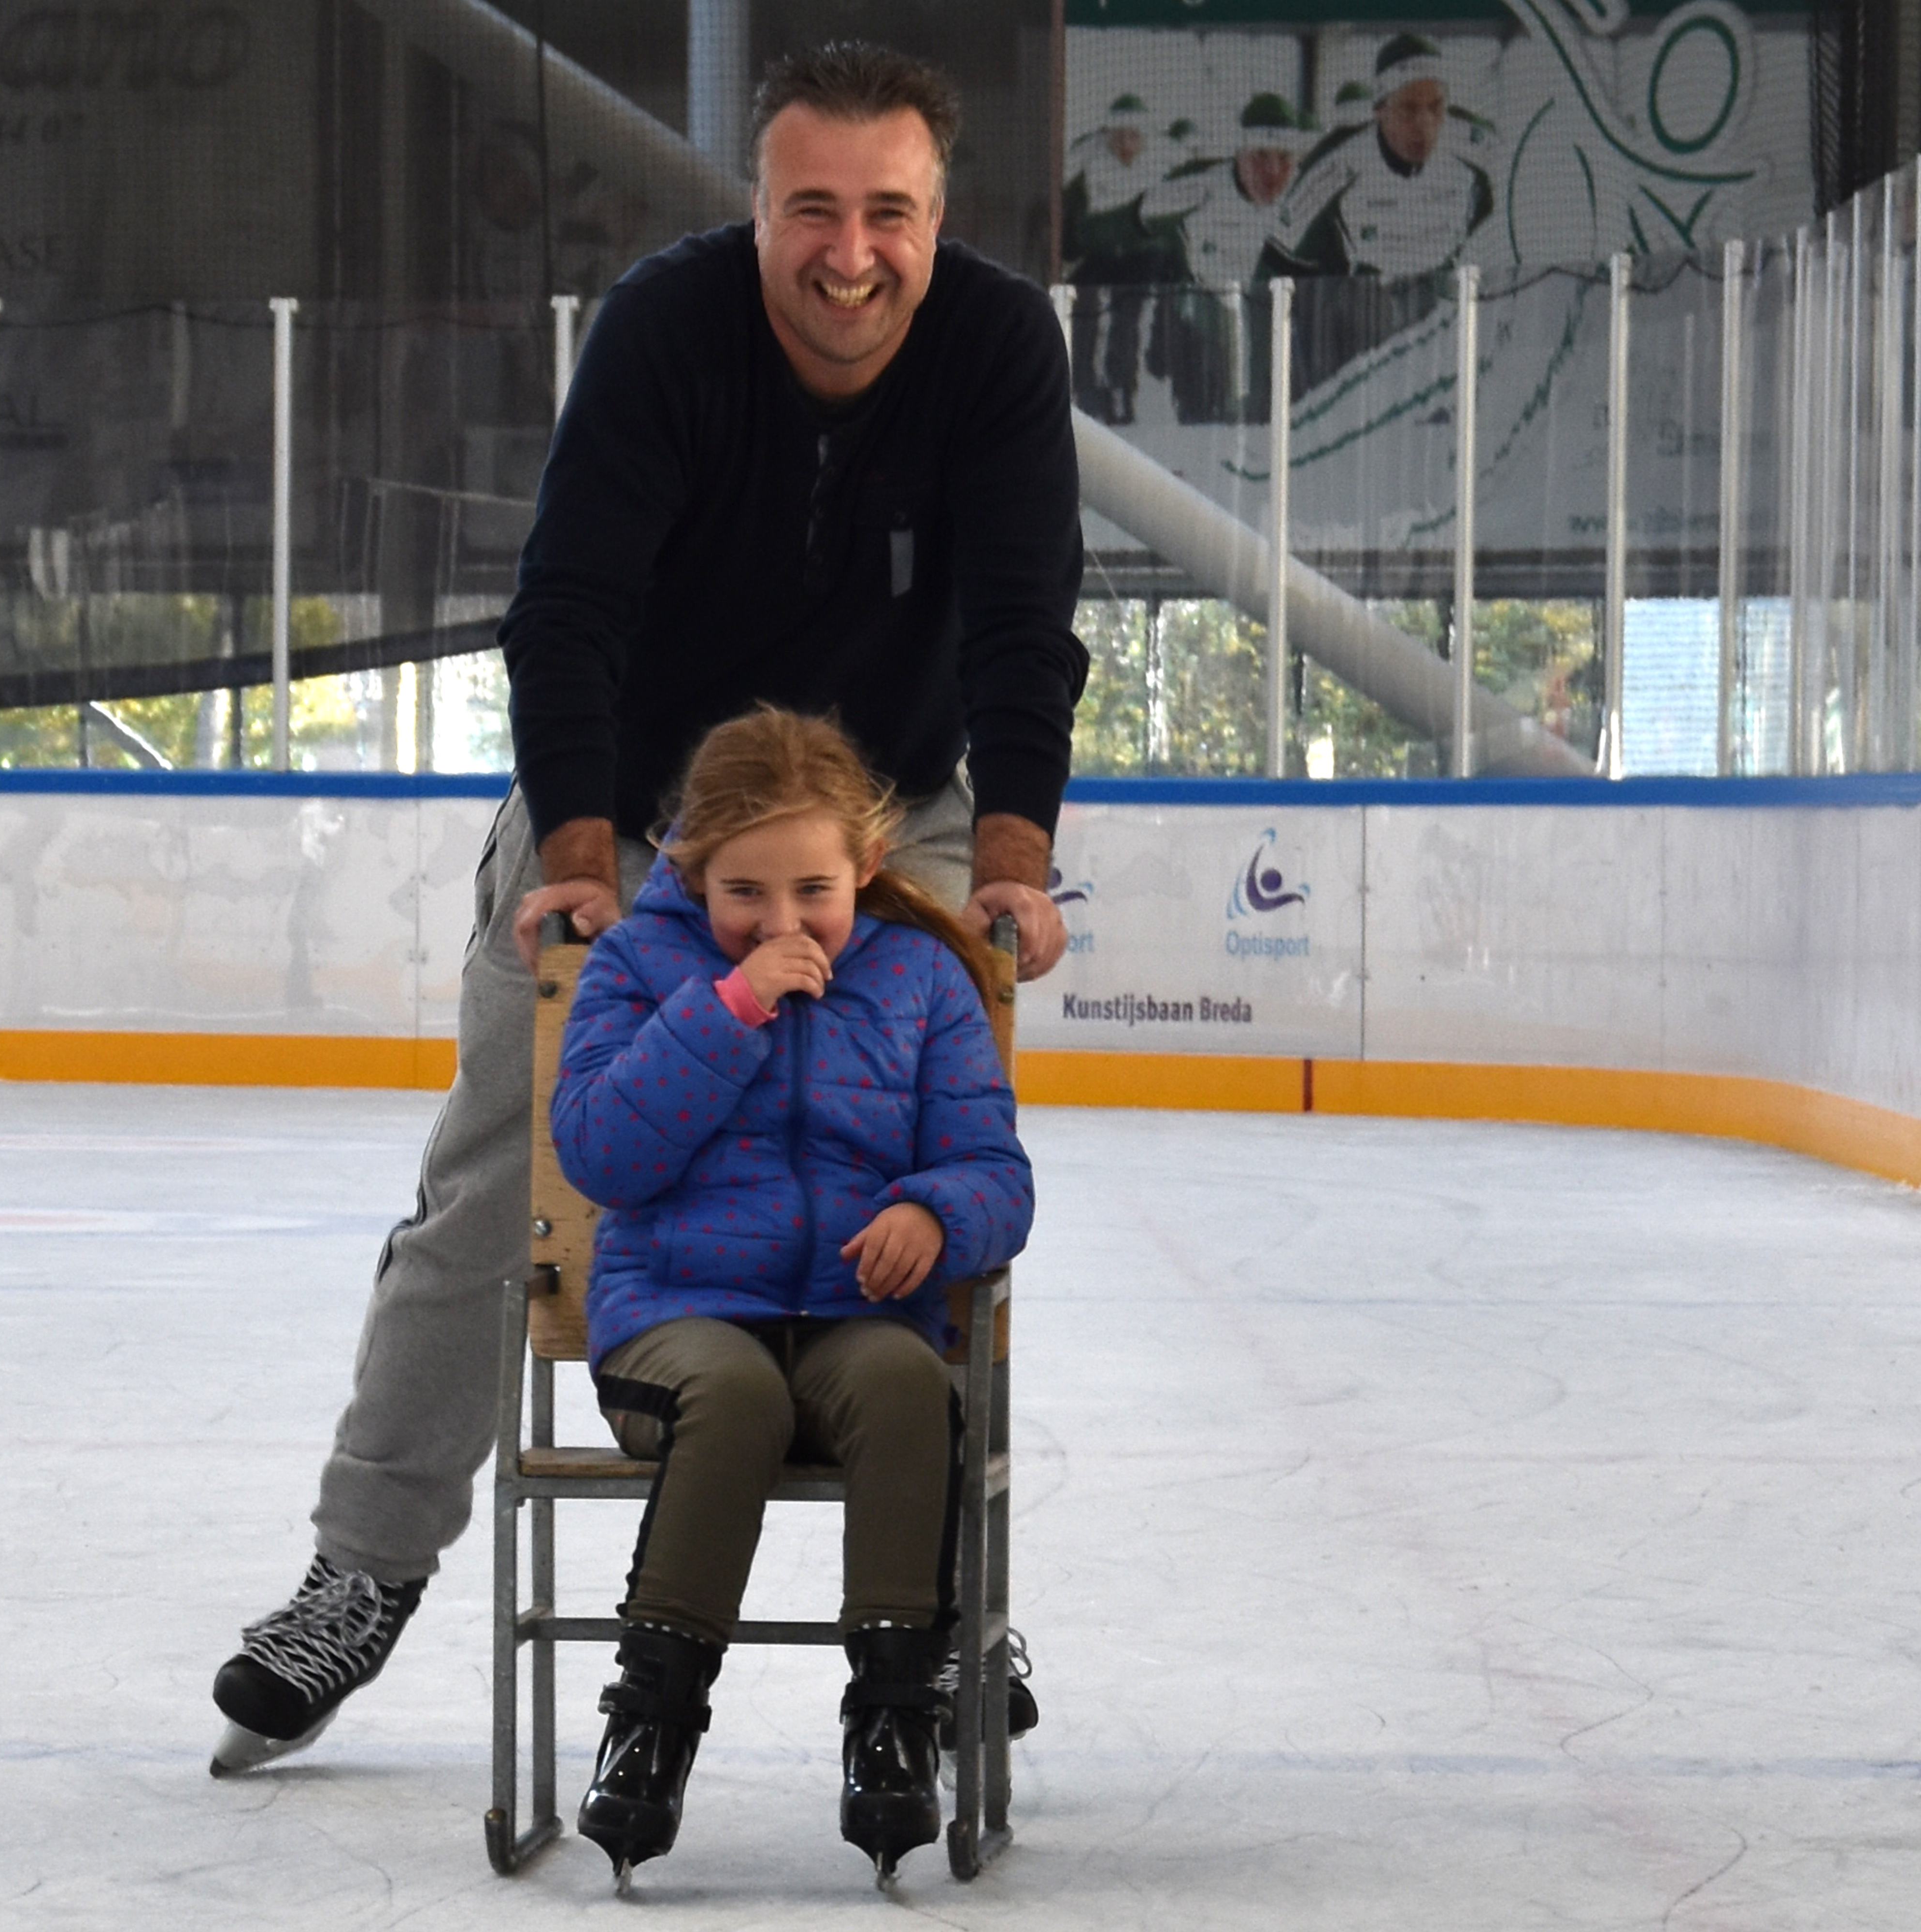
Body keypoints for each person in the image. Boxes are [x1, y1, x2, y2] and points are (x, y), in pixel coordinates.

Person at [208, 41, 1086, 1778]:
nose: (850, 254)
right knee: (495, 1184)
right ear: (758, 208)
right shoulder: (667, 328)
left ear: (936, 214)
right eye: (810, 210)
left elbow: (1021, 612)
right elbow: (571, 604)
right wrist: (582, 860)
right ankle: (361, 1567)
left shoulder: (992, 344)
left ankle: (950, 1598)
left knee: (912, 1181)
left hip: (878, 808)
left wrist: (1007, 850)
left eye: (887, 212)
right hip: (642, 798)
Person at [551, 706, 1034, 1885]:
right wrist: (727, 1010)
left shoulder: (921, 978)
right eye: (743, 897)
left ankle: (894, 1717)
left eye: (812, 890)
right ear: (687, 872)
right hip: (679, 1323)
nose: (781, 923)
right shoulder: (637, 965)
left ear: (866, 867)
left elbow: (994, 1172)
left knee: (903, 1381)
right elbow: (603, 1154)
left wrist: (934, 1212)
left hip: (853, 1324)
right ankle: (651, 1725)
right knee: (735, 1396)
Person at [1266, 35, 1496, 390]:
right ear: (1379, 109)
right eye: (1408, 109)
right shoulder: (1337, 165)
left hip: (1445, 308)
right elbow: (1280, 253)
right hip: (1367, 316)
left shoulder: (1476, 151)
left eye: (1436, 108)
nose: (1425, 125)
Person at [1143, 92, 1314, 423]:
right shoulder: (1198, 189)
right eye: (1261, 156)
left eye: (1285, 157)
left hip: (1272, 314)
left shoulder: (1309, 197)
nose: (1273, 170)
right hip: (1208, 311)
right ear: (1240, 154)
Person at [1061, 92, 1177, 423]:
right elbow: (1067, 199)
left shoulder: (1162, 162)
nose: (1126, 143)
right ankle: (1082, 388)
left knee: (1128, 322)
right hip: (1102, 256)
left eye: (1134, 135)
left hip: (1142, 258)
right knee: (1083, 308)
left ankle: (1122, 389)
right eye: (1119, 135)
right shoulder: (1088, 158)